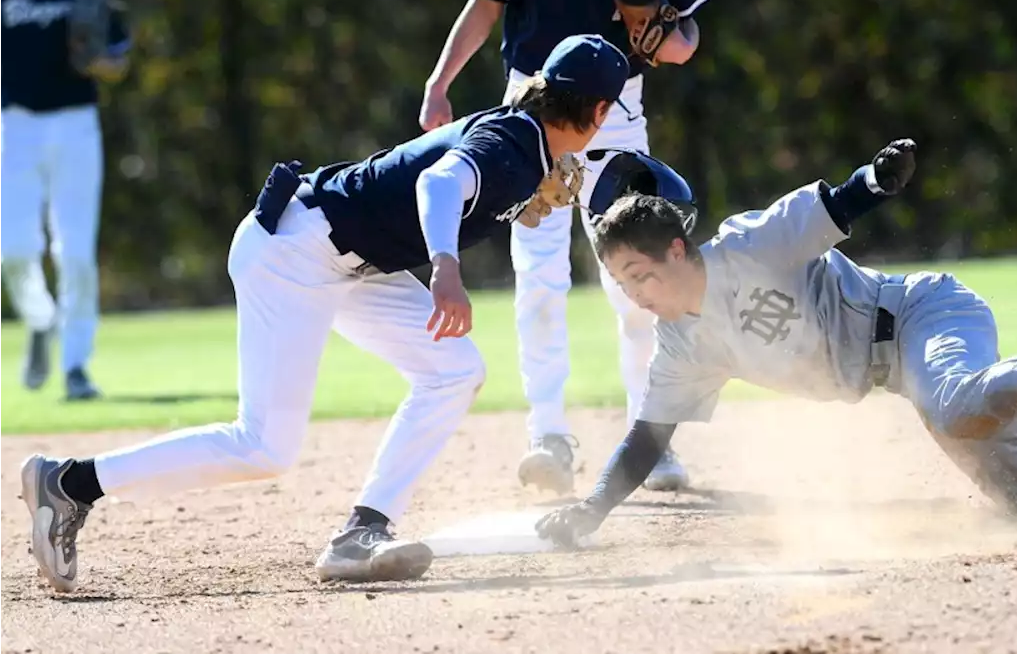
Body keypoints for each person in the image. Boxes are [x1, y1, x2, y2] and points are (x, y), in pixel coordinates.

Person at [18, 34, 632, 592]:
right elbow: (438, 185)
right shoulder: (509, 148)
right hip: (295, 253)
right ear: (599, 112)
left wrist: (514, 203)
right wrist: (446, 265)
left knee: (453, 369)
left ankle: (361, 532)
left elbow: (459, 183)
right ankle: (70, 484)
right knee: (263, 447)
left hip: (349, 259)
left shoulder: (518, 143)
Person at [532, 140, 1017, 547]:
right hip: (895, 368)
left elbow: (827, 209)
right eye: (618, 279)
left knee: (956, 403)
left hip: (921, 316)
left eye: (636, 272)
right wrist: (592, 509)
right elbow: (646, 439)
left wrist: (875, 179)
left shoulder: (746, 246)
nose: (630, 290)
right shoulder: (681, 346)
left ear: (678, 250)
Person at [417, 0, 713, 495]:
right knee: (539, 276)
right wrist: (439, 82)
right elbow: (486, 5)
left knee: (640, 283)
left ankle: (651, 437)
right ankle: (548, 433)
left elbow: (683, 42)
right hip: (532, 104)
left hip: (615, 111)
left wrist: (657, 29)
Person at [0, 0, 132, 400]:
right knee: (14, 251)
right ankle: (41, 319)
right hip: (15, 126)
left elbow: (118, 61)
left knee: (75, 253)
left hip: (76, 125)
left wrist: (98, 62)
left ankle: (76, 365)